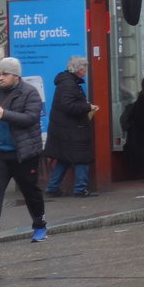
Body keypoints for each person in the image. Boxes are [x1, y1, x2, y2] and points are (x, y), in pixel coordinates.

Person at [0, 58, 48, 247]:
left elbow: (31, 118)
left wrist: (5, 114)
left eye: (5, 74)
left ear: (16, 76)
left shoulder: (30, 93)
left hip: (23, 153)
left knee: (30, 192)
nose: (1, 77)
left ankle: (39, 225)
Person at [44, 56, 100, 198]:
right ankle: (80, 189)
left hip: (64, 129)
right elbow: (68, 105)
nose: (86, 71)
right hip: (72, 129)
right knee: (82, 157)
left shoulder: (66, 82)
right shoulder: (69, 84)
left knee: (64, 158)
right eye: (85, 68)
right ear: (80, 70)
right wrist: (88, 106)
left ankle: (52, 188)